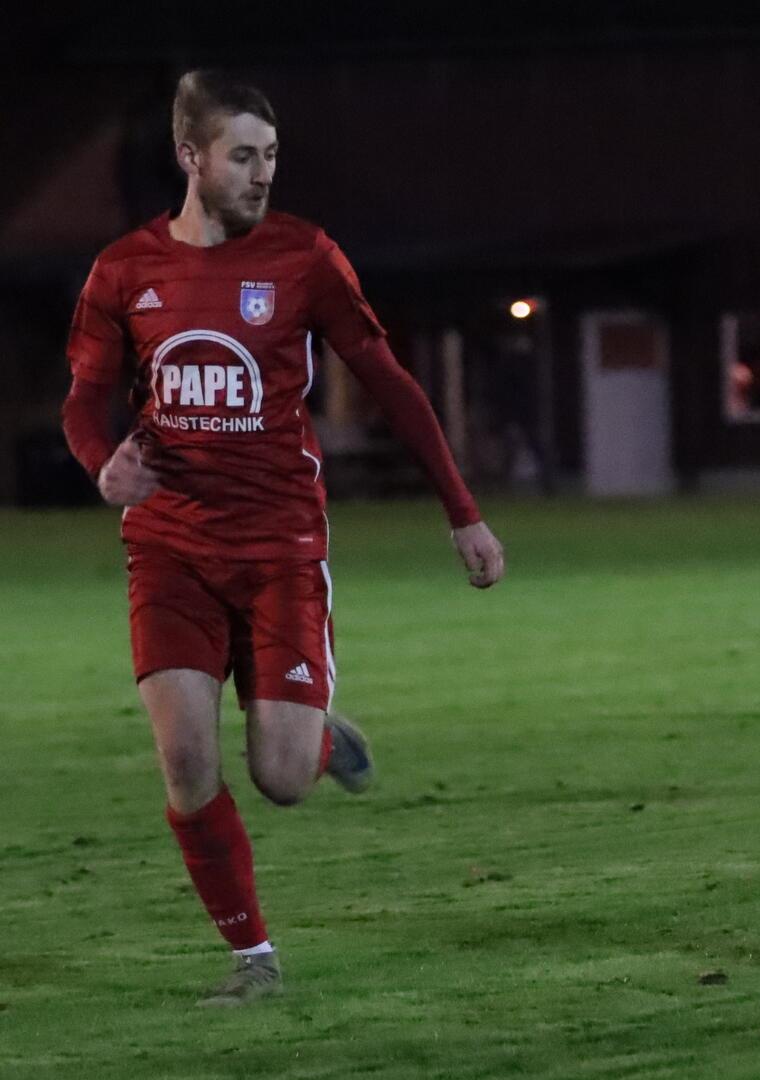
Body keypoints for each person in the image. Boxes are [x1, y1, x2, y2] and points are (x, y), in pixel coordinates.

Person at [60, 71, 505, 1005]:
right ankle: (253, 959)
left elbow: (388, 383)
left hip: (281, 552)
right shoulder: (124, 271)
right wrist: (106, 464)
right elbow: (82, 403)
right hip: (170, 547)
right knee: (184, 759)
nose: (263, 175)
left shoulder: (304, 258)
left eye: (271, 156)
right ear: (192, 158)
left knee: (282, 779)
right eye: (244, 156)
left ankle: (315, 740)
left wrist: (461, 509)